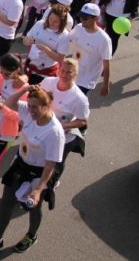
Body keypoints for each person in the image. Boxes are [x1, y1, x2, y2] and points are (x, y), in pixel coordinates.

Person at [0, 86, 64, 255]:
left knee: (34, 208)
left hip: (39, 172)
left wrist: (39, 189)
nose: (30, 110)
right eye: (29, 105)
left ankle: (31, 235)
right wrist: (26, 88)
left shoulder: (55, 132)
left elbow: (50, 164)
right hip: (20, 165)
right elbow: (10, 103)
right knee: (6, 203)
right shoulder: (29, 113)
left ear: (47, 106)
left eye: (35, 107)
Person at [0, 54, 28, 206]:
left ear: (17, 70)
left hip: (6, 133)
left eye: (7, 73)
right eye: (2, 71)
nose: (3, 75)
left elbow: (21, 116)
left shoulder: (23, 89)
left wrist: (3, 108)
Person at [38, 58, 89, 187]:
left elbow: (83, 121)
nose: (65, 75)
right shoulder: (48, 82)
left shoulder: (79, 98)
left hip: (63, 137)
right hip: (43, 130)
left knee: (56, 163)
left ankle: (52, 184)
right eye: (63, 71)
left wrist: (63, 126)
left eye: (69, 72)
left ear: (75, 74)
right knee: (40, 158)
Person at [64, 3, 112, 96]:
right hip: (71, 74)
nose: (82, 20)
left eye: (85, 18)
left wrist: (105, 85)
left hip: (87, 81)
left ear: (95, 19)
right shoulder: (78, 28)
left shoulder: (104, 39)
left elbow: (106, 65)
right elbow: (68, 39)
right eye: (81, 17)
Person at [23, 4, 70, 84]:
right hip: (31, 65)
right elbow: (25, 40)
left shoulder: (64, 35)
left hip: (46, 72)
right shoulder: (40, 24)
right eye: (50, 19)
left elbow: (60, 58)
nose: (51, 22)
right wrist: (28, 41)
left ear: (62, 22)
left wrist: (45, 49)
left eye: (55, 21)